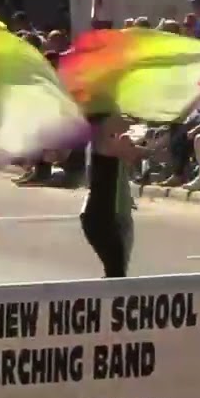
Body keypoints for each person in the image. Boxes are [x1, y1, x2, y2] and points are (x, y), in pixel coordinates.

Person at [81, 114, 138, 278]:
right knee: (116, 272)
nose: (122, 120)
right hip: (106, 216)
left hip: (107, 213)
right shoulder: (102, 145)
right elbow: (129, 152)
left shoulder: (102, 143)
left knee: (116, 271)